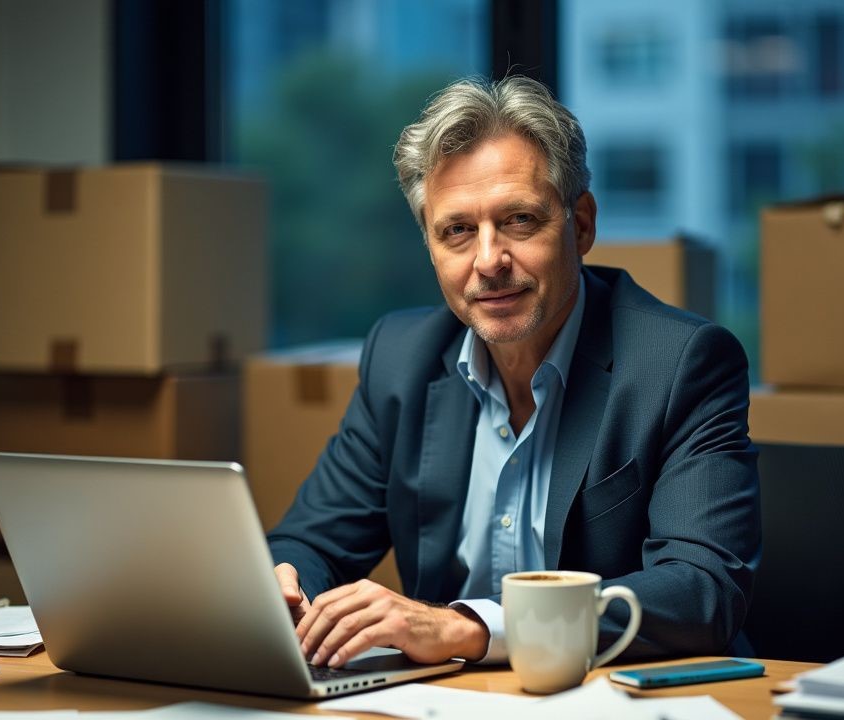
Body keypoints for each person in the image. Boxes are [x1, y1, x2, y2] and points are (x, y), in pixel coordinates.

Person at [269, 75, 760, 669]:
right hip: (446, 711)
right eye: (456, 231)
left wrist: (472, 629)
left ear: (580, 226)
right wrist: (287, 585)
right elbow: (312, 541)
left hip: (613, 704)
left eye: (520, 221)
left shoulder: (683, 363)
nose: (488, 261)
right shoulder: (400, 359)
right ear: (429, 245)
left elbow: (701, 591)